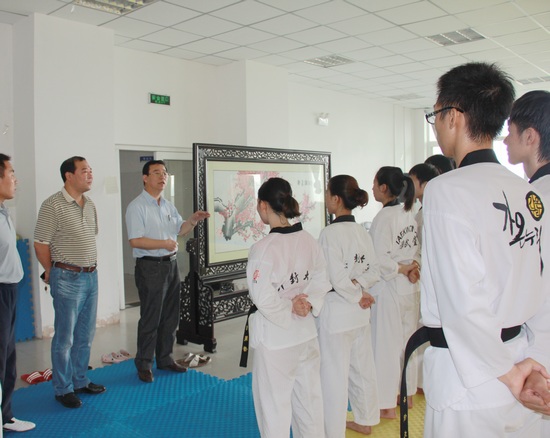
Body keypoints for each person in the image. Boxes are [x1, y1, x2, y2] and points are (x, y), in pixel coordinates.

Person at [420, 62, 550, 437]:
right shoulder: (527, 193)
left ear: (453, 116)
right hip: (520, 363)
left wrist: (509, 374)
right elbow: (543, 287)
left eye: (435, 115)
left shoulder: (447, 189)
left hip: (471, 381)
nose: (437, 125)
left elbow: (462, 299)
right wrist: (534, 364)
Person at [246, 177, 331, 438]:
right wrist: (307, 302)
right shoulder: (308, 240)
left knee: (275, 409)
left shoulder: (263, 248)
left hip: (276, 339)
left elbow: (261, 296)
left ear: (263, 205)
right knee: (309, 404)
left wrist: (291, 307)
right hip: (305, 333)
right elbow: (322, 277)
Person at [125, 160, 209, 383]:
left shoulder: (168, 205)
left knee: (171, 316)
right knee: (151, 317)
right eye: (156, 172)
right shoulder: (137, 207)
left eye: (164, 173)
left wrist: (193, 220)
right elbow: (135, 240)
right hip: (150, 267)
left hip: (171, 265)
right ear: (145, 178)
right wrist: (163, 243)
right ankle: (144, 364)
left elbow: (180, 230)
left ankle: (165, 358)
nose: (162, 176)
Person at [34, 156, 105, 409]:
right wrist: (51, 271)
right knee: (65, 338)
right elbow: (40, 244)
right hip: (67, 277)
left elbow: (89, 237)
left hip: (91, 276)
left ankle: (80, 380)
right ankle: (63, 388)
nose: (90, 174)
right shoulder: (52, 205)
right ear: (69, 175)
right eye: (84, 170)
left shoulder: (90, 204)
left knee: (85, 334)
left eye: (91, 170)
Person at [318, 175, 380, 437]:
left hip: (337, 313)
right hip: (359, 313)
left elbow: (336, 278)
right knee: (362, 368)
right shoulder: (361, 232)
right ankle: (366, 419)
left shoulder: (329, 234)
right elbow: (373, 271)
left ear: (336, 199)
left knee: (334, 375)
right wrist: (361, 291)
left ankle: (333, 430)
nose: (325, 198)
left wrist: (356, 294)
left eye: (327, 193)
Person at [505, 90, 550, 436]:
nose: (506, 140)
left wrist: (538, 361)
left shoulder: (533, 202)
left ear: (530, 137)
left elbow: (539, 287)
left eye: (511, 131)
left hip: (538, 354)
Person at [369, 166, 420, 419]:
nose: (372, 188)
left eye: (374, 183)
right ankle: (406, 395)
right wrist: (412, 267)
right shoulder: (409, 212)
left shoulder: (384, 218)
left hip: (391, 287)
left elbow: (379, 259)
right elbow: (416, 247)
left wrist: (402, 268)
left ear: (384, 188)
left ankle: (387, 404)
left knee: (386, 346)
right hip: (410, 286)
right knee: (408, 343)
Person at [0, 154, 35, 432]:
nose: (15, 179)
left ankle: (5, 415)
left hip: (10, 291)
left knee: (8, 356)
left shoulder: (4, 211)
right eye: (11, 173)